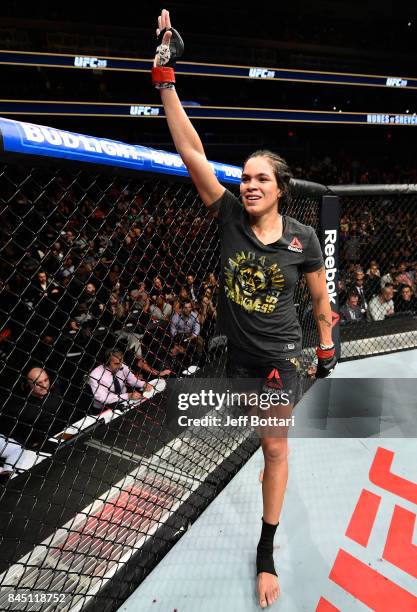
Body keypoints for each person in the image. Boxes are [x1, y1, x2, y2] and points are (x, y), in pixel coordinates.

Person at [152, 10, 337, 608]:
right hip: (239, 354)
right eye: (245, 177)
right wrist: (165, 76)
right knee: (262, 439)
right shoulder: (229, 213)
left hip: (281, 358)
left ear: (280, 187)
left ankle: (265, 552)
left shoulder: (304, 237)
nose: (249, 183)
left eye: (261, 178)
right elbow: (189, 147)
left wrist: (327, 342)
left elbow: (317, 298)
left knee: (275, 448)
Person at [88, 349, 153, 411]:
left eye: (121, 362)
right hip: (105, 407)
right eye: (116, 364)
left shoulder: (122, 366)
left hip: (124, 399)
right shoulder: (95, 375)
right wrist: (128, 396)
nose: (120, 366)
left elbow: (133, 380)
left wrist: (143, 384)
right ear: (107, 362)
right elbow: (104, 398)